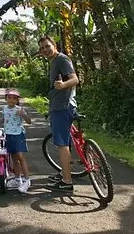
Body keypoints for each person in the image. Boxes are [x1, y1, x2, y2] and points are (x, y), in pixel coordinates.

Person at [39, 35, 80, 191]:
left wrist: (63, 85)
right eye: (42, 48)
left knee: (62, 145)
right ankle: (64, 172)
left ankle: (67, 181)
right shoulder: (55, 61)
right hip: (59, 106)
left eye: (47, 46)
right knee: (64, 143)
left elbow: (75, 79)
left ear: (54, 45)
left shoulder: (61, 59)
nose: (45, 50)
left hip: (62, 108)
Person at [2, 88, 32, 193]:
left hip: (18, 135)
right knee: (14, 158)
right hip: (8, 135)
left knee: (21, 157)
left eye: (14, 98)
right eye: (9, 97)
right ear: (6, 98)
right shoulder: (4, 108)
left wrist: (23, 114)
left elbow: (29, 122)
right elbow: (5, 120)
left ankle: (27, 180)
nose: (11, 100)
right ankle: (17, 179)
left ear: (17, 100)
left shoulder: (19, 109)